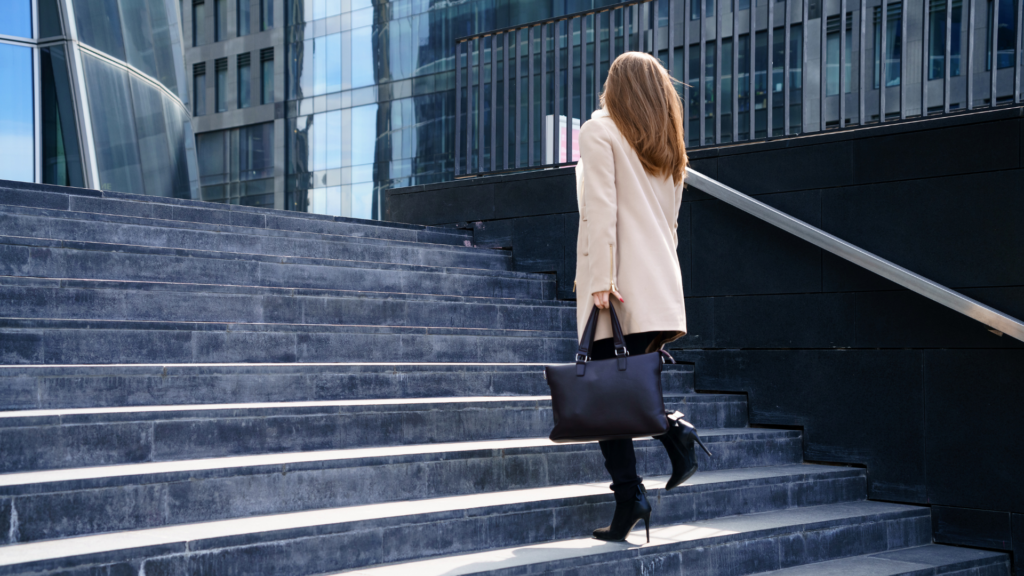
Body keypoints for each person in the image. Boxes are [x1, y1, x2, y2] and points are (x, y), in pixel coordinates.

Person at [574, 51, 710, 543]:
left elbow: (600, 214)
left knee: (606, 402)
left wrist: (601, 281)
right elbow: (668, 228)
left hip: (617, 291)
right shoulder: (667, 147)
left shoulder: (599, 131)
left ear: (616, 88)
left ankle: (636, 489)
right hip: (658, 291)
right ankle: (671, 439)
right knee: (619, 397)